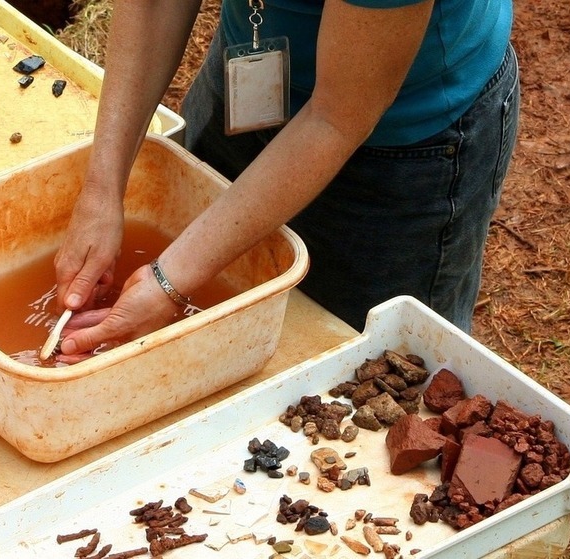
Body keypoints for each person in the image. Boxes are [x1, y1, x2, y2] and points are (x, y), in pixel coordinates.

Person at [53, 0, 520, 361]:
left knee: (371, 366)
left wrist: (168, 282)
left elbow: (337, 118)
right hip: (255, 67)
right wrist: (101, 190)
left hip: (403, 143)